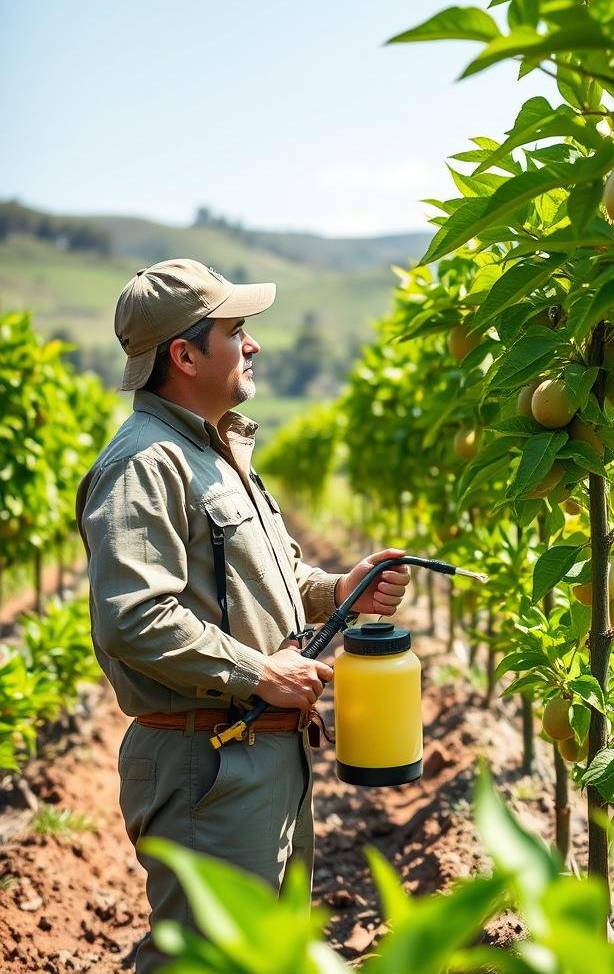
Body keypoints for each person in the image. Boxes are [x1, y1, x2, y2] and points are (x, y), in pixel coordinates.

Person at [75, 259, 411, 973]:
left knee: (260, 957)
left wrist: (337, 589)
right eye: (236, 330)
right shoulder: (145, 463)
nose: (252, 344)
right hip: (210, 765)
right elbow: (133, 617)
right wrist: (259, 670)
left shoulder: (219, 452)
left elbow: (274, 576)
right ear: (185, 354)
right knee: (210, 959)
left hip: (258, 753)